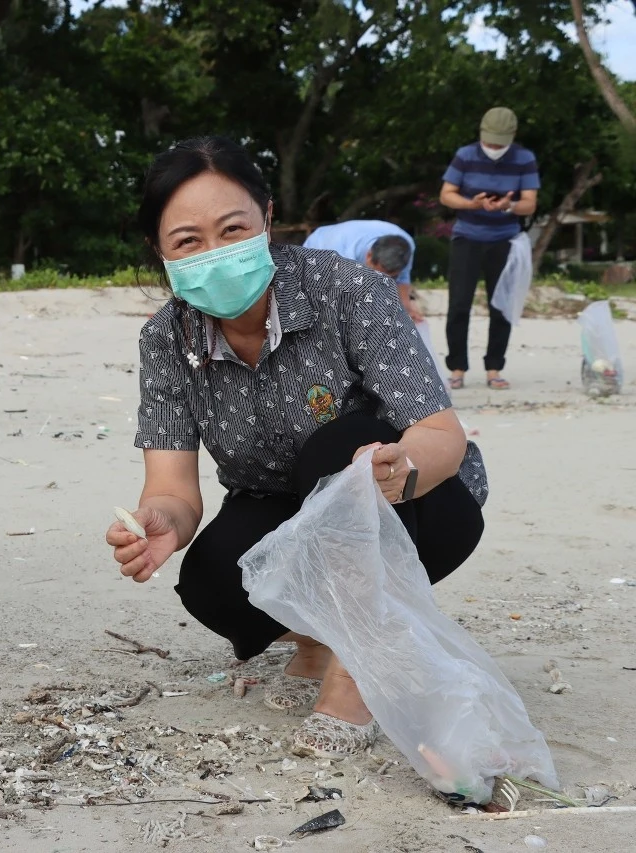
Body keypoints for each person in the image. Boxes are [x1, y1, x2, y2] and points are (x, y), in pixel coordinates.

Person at [105, 136, 488, 758]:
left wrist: (404, 467)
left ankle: (360, 661)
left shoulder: (352, 292)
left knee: (337, 444)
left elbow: (442, 434)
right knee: (211, 585)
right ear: (160, 251)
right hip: (283, 504)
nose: (215, 253)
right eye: (188, 241)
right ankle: (317, 640)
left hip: (416, 505)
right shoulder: (164, 340)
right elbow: (173, 490)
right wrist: (160, 524)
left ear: (268, 219)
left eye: (233, 229)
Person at [439, 107, 539, 391]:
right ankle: (457, 368)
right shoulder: (466, 155)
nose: (493, 147)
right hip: (467, 236)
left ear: (512, 136)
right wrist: (471, 203)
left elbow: (530, 203)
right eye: (489, 140)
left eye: (499, 141)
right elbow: (446, 195)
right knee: (459, 304)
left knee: (502, 306)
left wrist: (508, 205)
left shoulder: (524, 158)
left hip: (505, 239)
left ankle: (494, 368)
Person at [303, 220, 419, 323]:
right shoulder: (340, 253)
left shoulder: (405, 247)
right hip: (318, 246)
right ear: (369, 256)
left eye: (391, 277)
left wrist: (406, 309)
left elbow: (403, 278)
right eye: (377, 274)